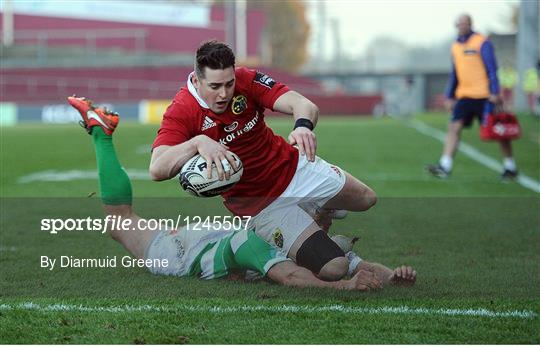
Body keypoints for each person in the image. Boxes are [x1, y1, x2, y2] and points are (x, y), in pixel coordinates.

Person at [68, 96, 417, 291]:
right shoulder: (258, 245)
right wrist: (344, 288)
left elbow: (358, 264)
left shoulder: (297, 242)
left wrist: (392, 276)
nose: (320, 228)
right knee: (118, 221)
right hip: (177, 253)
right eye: (318, 220)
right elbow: (290, 277)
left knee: (120, 221)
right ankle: (101, 133)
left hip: (207, 235)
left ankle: (101, 131)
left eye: (318, 224)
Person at [149, 40, 377, 282]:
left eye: (229, 84)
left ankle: (315, 210)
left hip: (293, 168)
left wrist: (303, 127)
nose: (224, 93)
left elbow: (302, 104)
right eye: (215, 86)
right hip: (261, 206)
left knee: (366, 199)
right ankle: (304, 229)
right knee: (335, 268)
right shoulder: (182, 109)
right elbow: (156, 168)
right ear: (196, 81)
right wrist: (197, 143)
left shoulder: (246, 80)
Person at [427, 14, 518, 180]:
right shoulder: (455, 46)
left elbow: (492, 68)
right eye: (459, 23)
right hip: (465, 96)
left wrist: (495, 92)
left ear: (470, 24)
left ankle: (510, 166)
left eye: (464, 23)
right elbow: (455, 73)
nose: (461, 26)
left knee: (498, 131)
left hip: (485, 96)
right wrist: (449, 96)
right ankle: (445, 165)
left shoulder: (482, 42)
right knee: (454, 127)